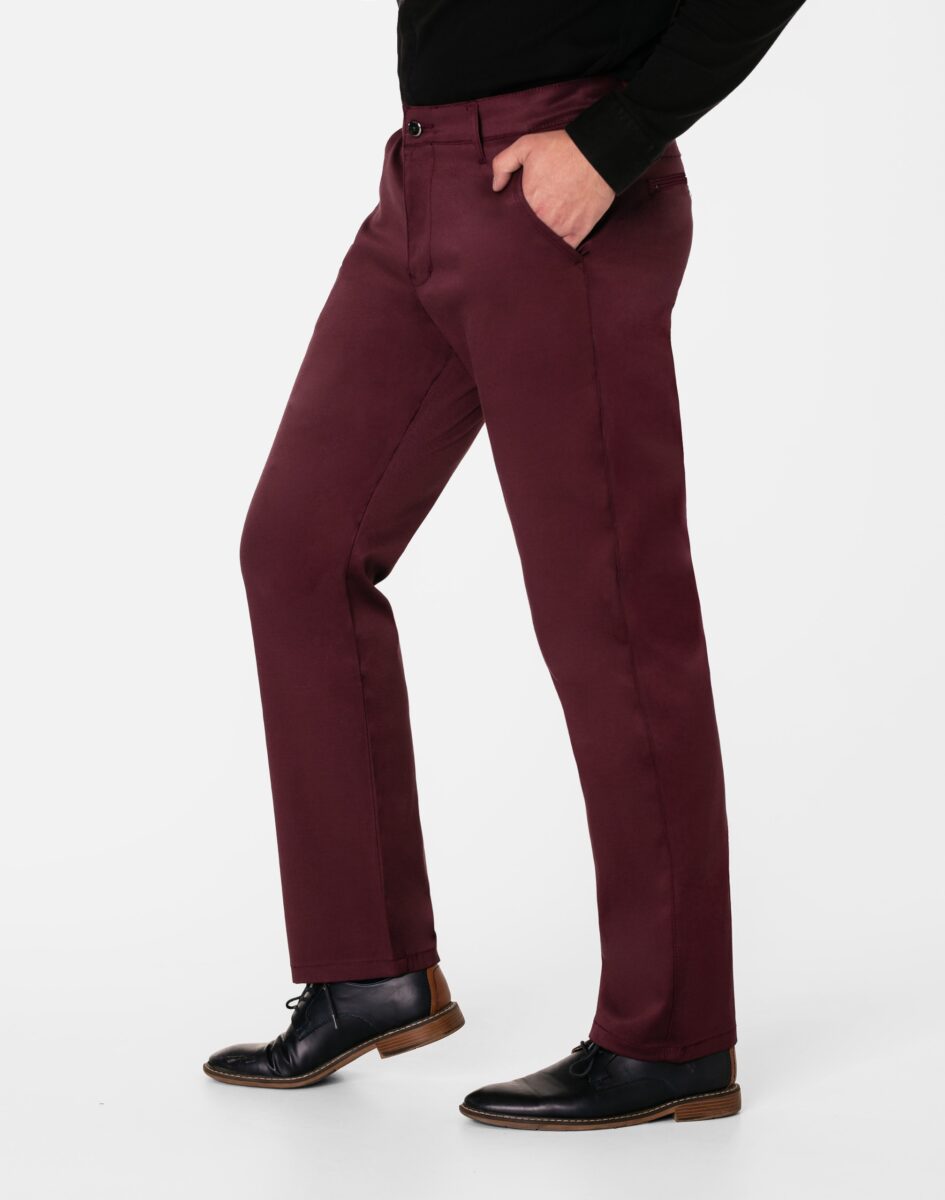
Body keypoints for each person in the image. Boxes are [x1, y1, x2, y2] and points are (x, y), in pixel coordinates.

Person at [204, 0, 807, 1130]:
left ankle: (673, 1036)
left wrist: (614, 143)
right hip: (424, 175)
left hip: (564, 175)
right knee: (297, 550)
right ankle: (369, 971)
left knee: (610, 616)